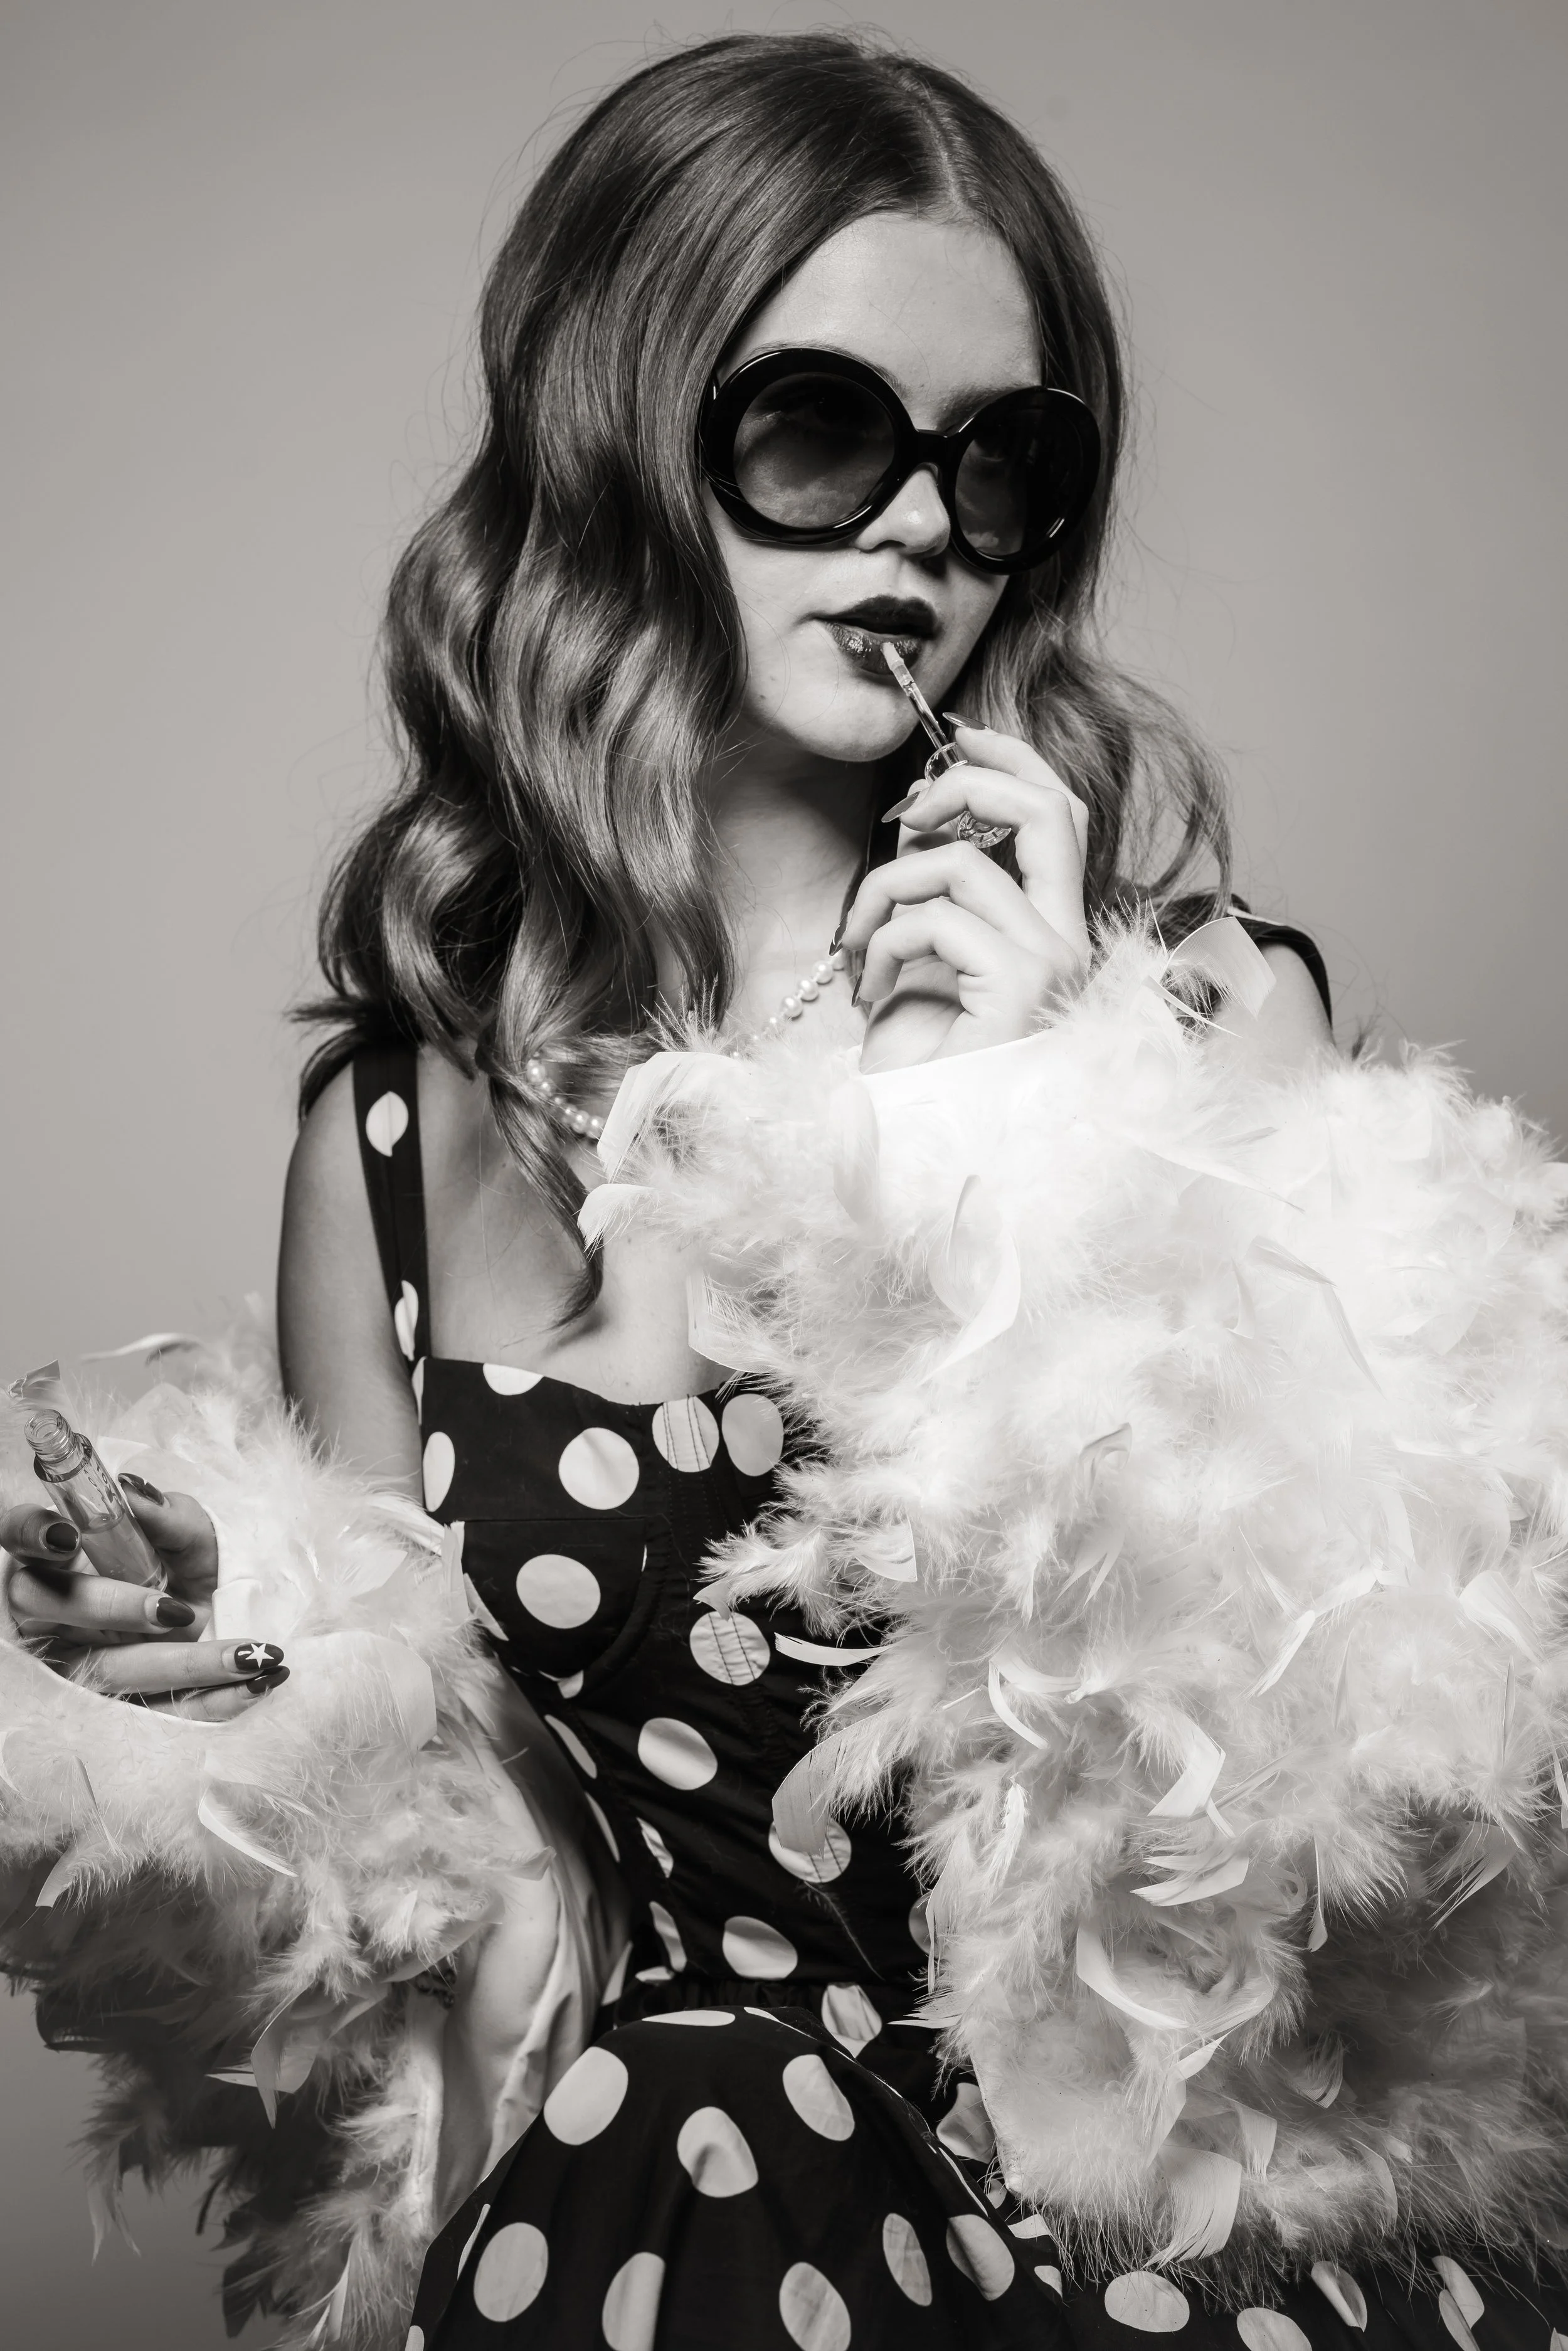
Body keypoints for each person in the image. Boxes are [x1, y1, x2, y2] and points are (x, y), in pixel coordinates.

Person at [5, 29, 1565, 2351]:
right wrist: (216, 1688)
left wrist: (1002, 1137)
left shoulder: (1201, 1021)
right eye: (823, 431)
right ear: (623, 441)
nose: (923, 522)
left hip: (1138, 2245)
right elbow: (454, 1916)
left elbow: (1348, 1818)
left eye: (1000, 460)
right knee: (692, 2113)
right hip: (655, 2211)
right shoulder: (394, 1145)